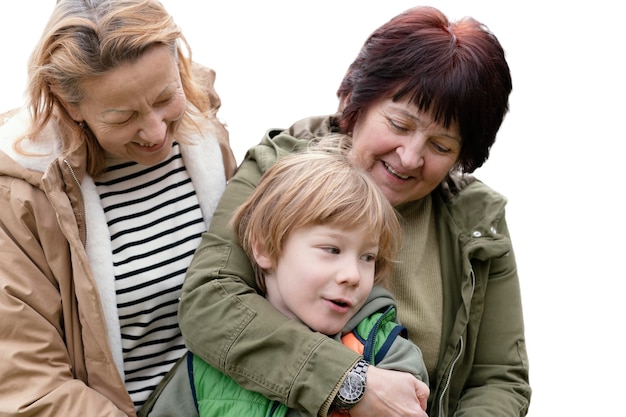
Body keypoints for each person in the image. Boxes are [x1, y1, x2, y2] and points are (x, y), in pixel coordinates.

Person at [179, 5, 531, 417]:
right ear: (355, 101)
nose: (410, 157)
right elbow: (210, 300)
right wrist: (348, 383)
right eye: (399, 125)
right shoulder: (283, 168)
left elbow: (498, 378)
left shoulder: (477, 222)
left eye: (441, 146)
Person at [0, 0, 236, 416]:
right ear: (69, 105)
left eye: (165, 97)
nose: (156, 131)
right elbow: (32, 386)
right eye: (123, 117)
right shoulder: (21, 197)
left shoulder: (206, 134)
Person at [140, 146, 429, 417]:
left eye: (367, 257)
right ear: (265, 248)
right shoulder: (204, 366)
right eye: (332, 250)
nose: (353, 275)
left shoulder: (387, 351)